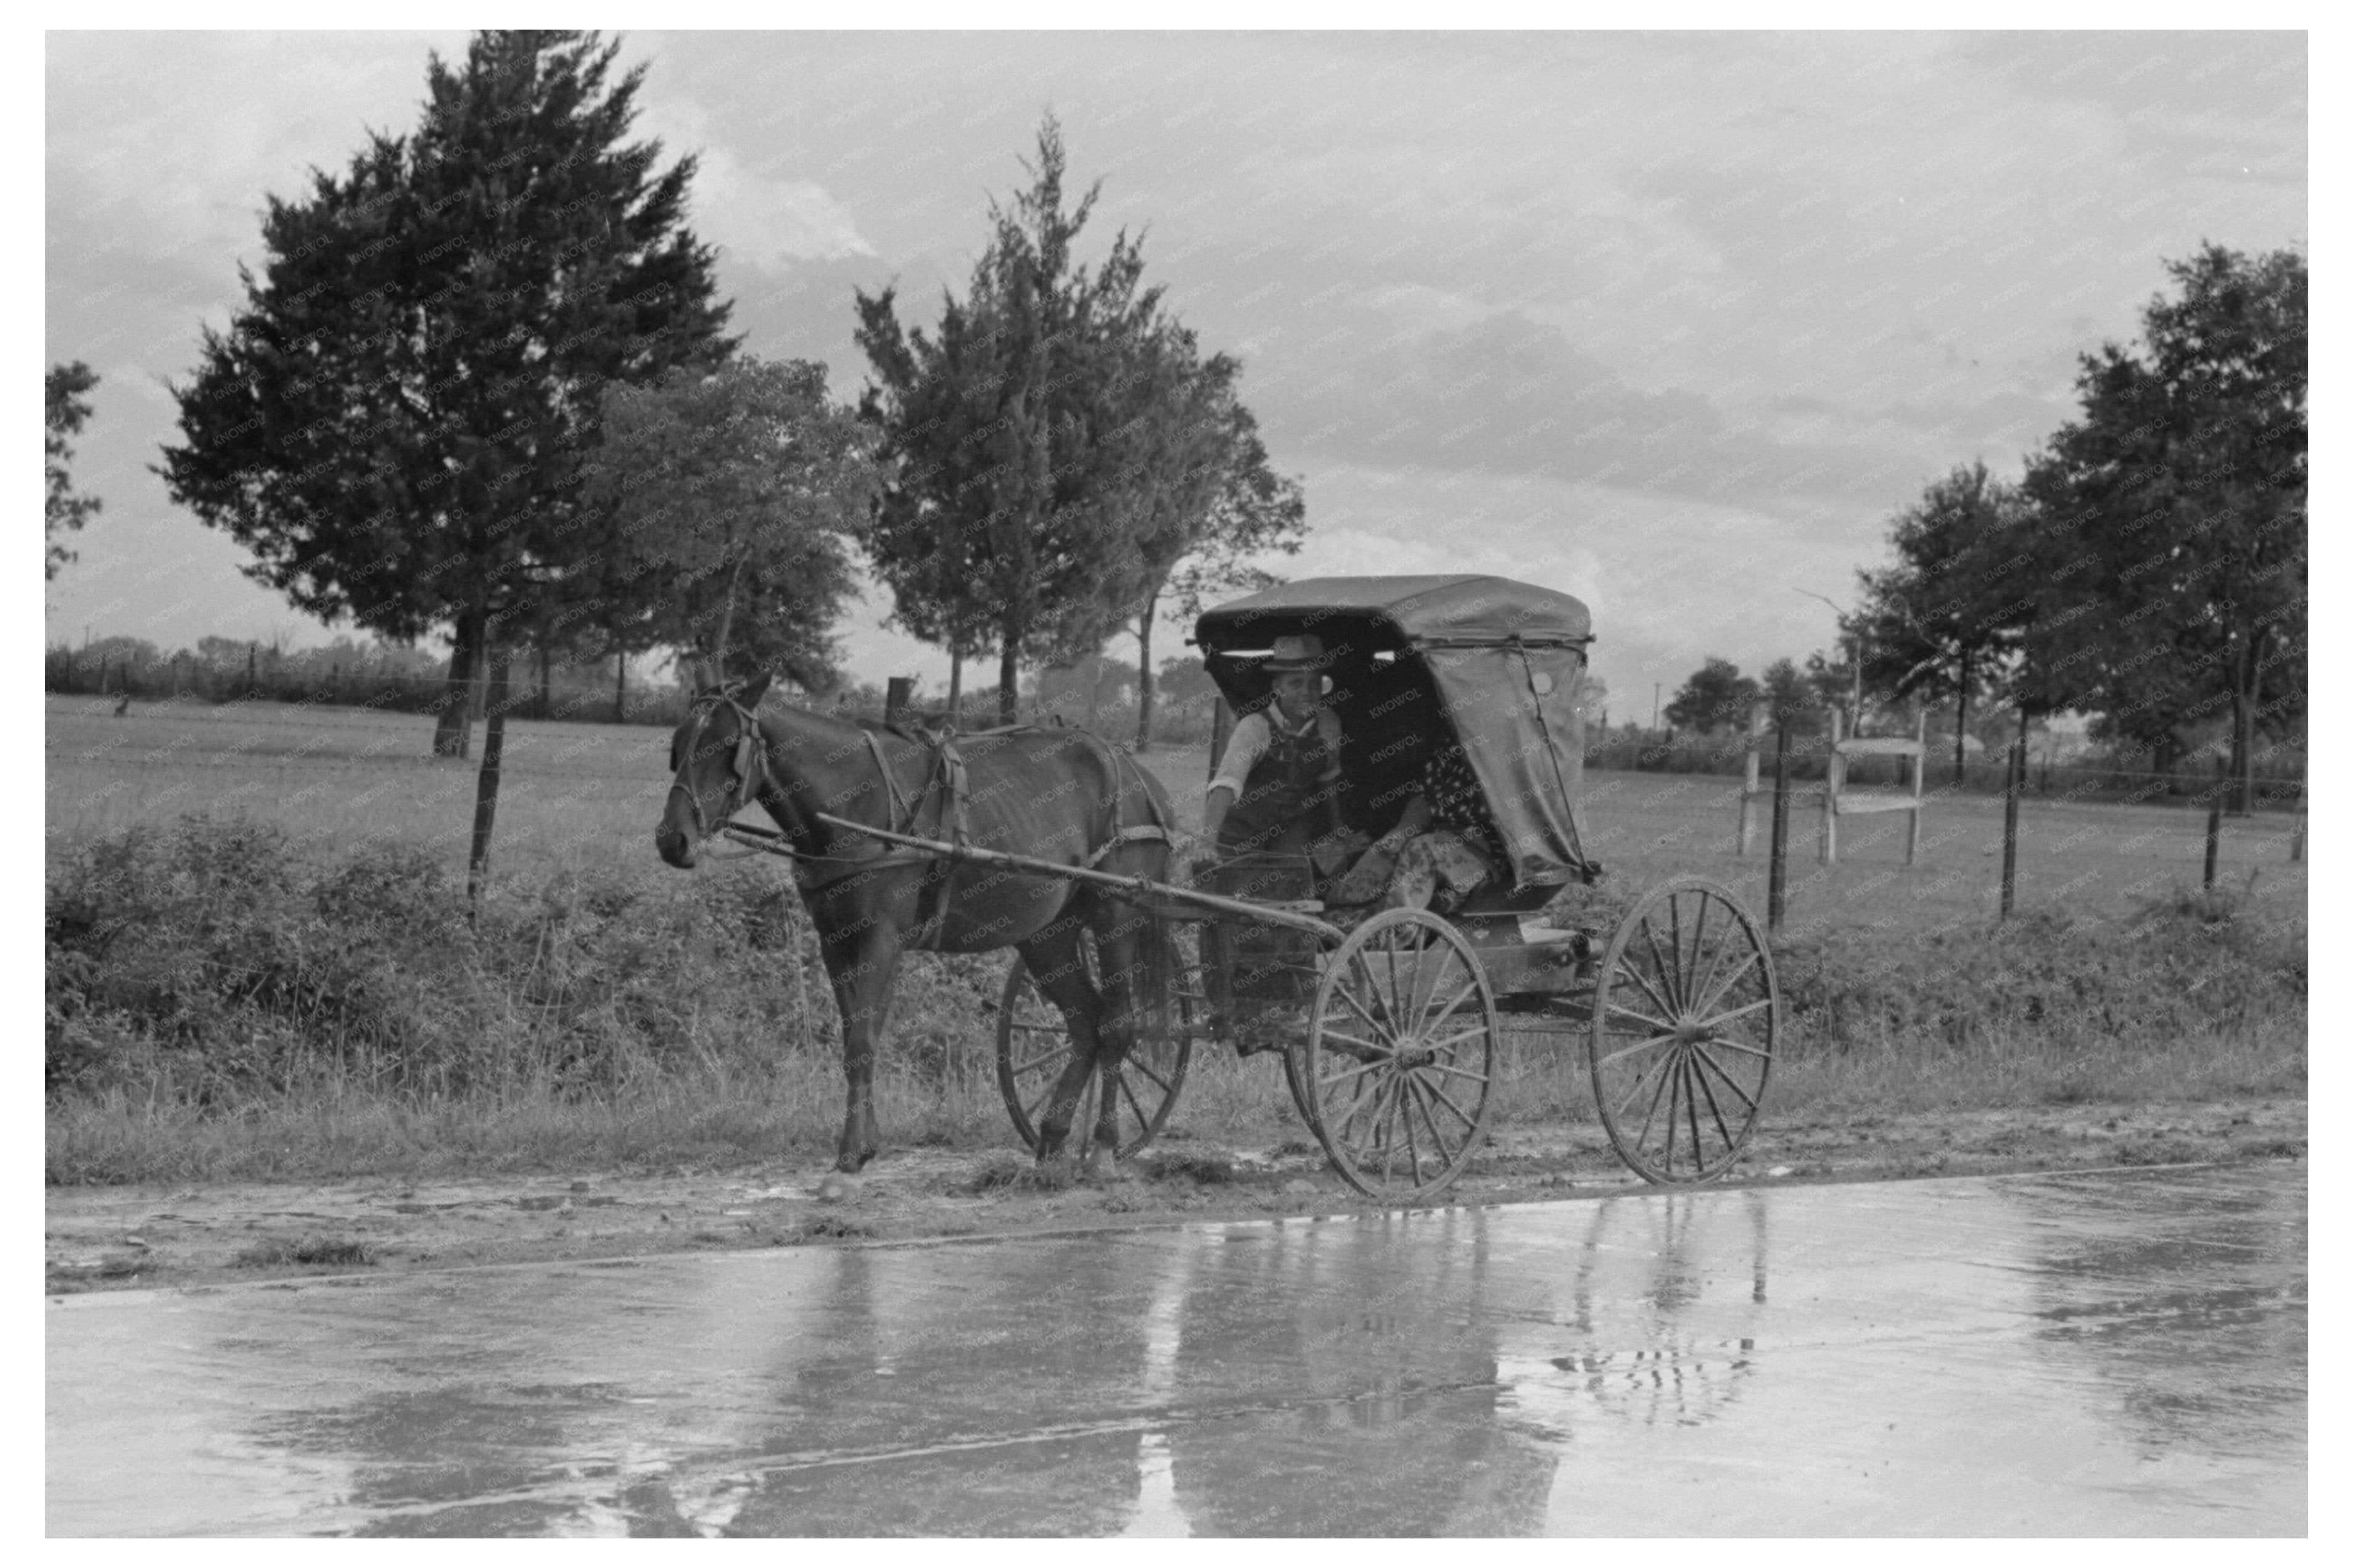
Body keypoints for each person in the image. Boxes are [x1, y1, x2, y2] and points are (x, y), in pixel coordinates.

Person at [1192, 634, 1364, 880]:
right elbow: (1226, 786)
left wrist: (1338, 826)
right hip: (1241, 829)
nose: (1307, 692)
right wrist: (1207, 844)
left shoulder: (1329, 723)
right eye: (1296, 683)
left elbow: (1328, 777)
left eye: (1314, 683)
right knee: (1236, 887)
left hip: (1292, 825)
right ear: (1277, 687)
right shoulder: (1255, 727)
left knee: (1291, 883)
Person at [1327, 737, 1506, 913]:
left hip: (1485, 852)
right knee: (1383, 851)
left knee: (1420, 850)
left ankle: (1393, 928)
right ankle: (1339, 920)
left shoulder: (1506, 748)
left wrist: (1466, 840)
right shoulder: (1452, 747)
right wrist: (1399, 835)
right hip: (1441, 836)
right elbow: (1425, 798)